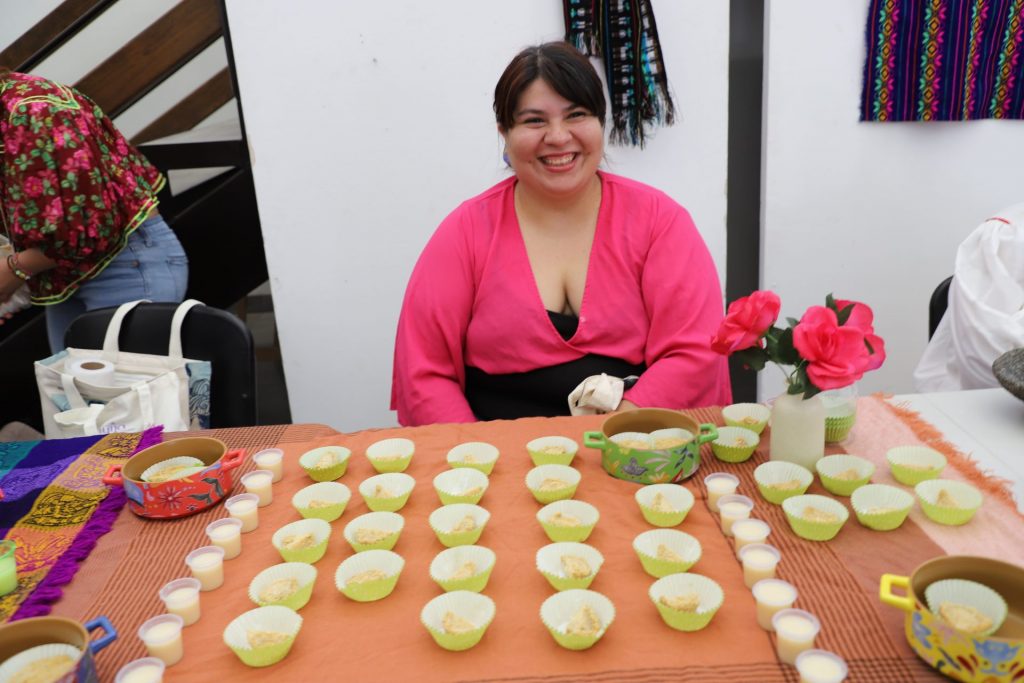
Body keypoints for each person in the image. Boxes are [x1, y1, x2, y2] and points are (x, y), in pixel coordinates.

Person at [391, 42, 730, 426]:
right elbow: (426, 372)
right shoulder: (464, 232)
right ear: (505, 133)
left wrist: (617, 432)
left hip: (631, 442)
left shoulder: (660, 222)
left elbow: (695, 352)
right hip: (492, 449)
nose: (557, 136)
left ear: (601, 123)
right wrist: (475, 454)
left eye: (577, 115)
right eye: (534, 121)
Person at [0, 69, 188, 353]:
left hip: (122, 264)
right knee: (69, 383)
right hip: (65, 271)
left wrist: (15, 268)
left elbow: (85, 227)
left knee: (131, 382)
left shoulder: (33, 110)